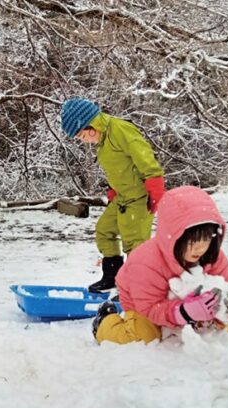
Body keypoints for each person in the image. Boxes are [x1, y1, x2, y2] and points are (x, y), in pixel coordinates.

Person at [91, 186, 228, 344]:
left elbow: (222, 290)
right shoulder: (146, 261)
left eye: (206, 239)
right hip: (146, 305)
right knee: (145, 337)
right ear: (174, 236)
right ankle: (105, 322)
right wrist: (184, 312)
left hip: (196, 307)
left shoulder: (215, 258)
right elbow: (149, 307)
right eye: (192, 241)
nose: (200, 248)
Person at [61, 97, 165, 292]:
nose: (85, 141)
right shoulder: (104, 138)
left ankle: (136, 289)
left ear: (90, 127)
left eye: (82, 137)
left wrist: (155, 182)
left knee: (135, 243)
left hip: (139, 197)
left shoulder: (120, 130)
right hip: (122, 197)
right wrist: (113, 188)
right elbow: (119, 166)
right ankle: (113, 277)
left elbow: (143, 155)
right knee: (104, 230)